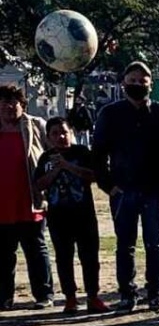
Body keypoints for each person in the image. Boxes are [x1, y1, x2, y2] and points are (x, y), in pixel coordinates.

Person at [92, 61, 159, 312]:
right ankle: (127, 295)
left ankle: (156, 294)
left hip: (157, 191)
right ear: (123, 84)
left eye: (142, 82)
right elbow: (98, 155)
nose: (137, 85)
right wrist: (108, 186)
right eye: (132, 81)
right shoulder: (110, 114)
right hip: (123, 191)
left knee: (156, 245)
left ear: (150, 85)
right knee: (125, 245)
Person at [33, 118, 109, 313]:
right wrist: (56, 168)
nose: (61, 137)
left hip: (84, 214)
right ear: (48, 137)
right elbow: (39, 185)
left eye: (64, 132)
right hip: (59, 217)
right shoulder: (45, 158)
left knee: (90, 257)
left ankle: (93, 296)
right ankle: (70, 298)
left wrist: (68, 166)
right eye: (55, 133)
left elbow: (94, 176)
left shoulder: (82, 153)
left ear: (71, 133)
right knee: (64, 258)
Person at [0, 84, 54, 309]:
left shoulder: (36, 125)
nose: (9, 107)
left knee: (36, 250)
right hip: (2, 204)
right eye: (4, 103)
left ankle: (44, 295)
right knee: (3, 254)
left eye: (14, 103)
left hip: (31, 201)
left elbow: (52, 154)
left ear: (22, 105)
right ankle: (4, 298)